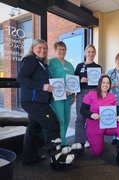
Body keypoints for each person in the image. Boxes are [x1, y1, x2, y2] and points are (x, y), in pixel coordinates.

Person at [16, 39, 74, 170]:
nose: (43, 50)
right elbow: (20, 78)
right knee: (54, 125)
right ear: (33, 48)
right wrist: (42, 87)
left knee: (33, 128)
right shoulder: (30, 60)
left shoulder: (41, 63)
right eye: (40, 48)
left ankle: (29, 157)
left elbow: (52, 84)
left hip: (39, 101)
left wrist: (63, 90)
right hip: (33, 102)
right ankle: (56, 158)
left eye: (45, 48)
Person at [80, 75, 119, 171]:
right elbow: (82, 110)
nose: (105, 85)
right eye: (103, 82)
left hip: (109, 125)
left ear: (110, 85)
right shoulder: (90, 94)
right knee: (97, 152)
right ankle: (93, 140)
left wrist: (118, 116)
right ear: (99, 83)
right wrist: (91, 114)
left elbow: (115, 110)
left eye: (108, 83)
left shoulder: (111, 96)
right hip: (95, 126)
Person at [74, 44, 102, 148]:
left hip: (94, 92)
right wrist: (80, 80)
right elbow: (73, 82)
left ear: (95, 53)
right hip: (82, 92)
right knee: (80, 117)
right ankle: (79, 141)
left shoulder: (98, 67)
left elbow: (99, 84)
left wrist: (101, 79)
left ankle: (90, 139)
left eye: (93, 52)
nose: (91, 54)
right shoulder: (79, 66)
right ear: (85, 53)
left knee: (92, 117)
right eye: (89, 51)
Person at [48, 41, 75, 146]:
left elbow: (73, 82)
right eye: (60, 49)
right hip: (57, 96)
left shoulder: (70, 65)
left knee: (67, 119)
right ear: (55, 50)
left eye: (64, 49)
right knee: (60, 120)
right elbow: (49, 78)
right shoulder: (51, 62)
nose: (62, 51)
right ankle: (60, 145)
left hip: (68, 96)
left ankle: (63, 142)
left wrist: (74, 94)